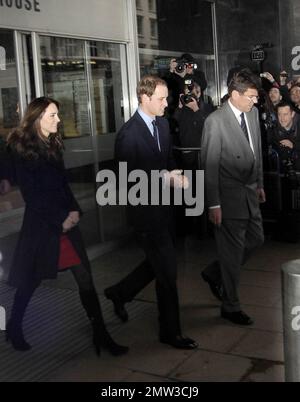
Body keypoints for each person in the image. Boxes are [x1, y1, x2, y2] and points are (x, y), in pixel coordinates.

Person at [5, 97, 128, 356]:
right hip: (42, 227)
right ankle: (14, 326)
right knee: (31, 281)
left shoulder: (53, 144)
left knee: (85, 279)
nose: (58, 120)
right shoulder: (21, 148)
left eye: (57, 115)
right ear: (37, 118)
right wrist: (60, 218)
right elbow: (32, 195)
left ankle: (101, 334)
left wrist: (74, 211)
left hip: (65, 224)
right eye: (52, 115)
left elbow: (62, 185)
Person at [104, 75, 198, 350]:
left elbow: (167, 159)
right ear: (144, 98)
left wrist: (176, 174)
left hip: (165, 210)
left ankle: (119, 293)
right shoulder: (128, 135)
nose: (166, 104)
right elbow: (127, 180)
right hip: (145, 215)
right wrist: (164, 178)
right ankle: (171, 332)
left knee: (156, 265)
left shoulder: (164, 125)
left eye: (166, 97)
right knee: (167, 274)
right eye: (160, 98)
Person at [201, 69, 265, 326]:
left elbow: (256, 152)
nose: (255, 101)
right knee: (231, 251)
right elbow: (209, 166)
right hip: (227, 199)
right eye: (251, 96)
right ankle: (230, 305)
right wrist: (213, 203)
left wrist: (259, 182)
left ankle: (214, 273)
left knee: (256, 239)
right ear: (235, 94)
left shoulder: (253, 114)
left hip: (250, 193)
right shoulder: (215, 122)